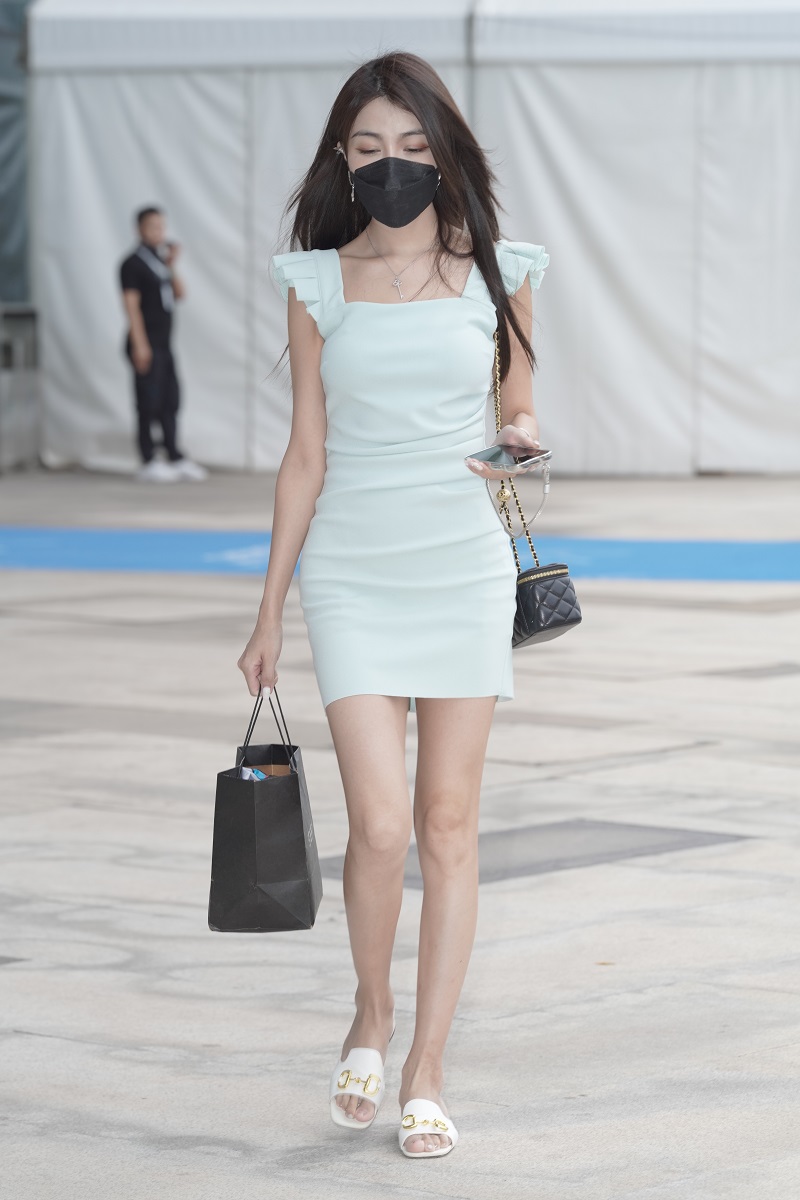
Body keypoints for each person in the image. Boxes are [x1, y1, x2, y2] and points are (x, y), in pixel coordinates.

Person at [237, 51, 549, 1160]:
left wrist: (519, 439)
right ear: (342, 157)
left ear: (444, 154)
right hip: (353, 570)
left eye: (413, 147)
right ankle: (368, 1014)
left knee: (446, 824)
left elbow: (518, 403)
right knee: (377, 826)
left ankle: (425, 1067)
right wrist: (269, 610)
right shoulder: (316, 282)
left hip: (462, 563)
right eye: (369, 148)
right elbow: (304, 453)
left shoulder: (501, 271)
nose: (392, 165)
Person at [119, 206, 207, 482]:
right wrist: (140, 344)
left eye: (161, 227)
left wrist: (172, 264)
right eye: (153, 227)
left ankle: (174, 454)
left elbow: (180, 294)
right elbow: (131, 307)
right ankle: (148, 459)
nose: (159, 232)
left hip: (164, 343)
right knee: (148, 401)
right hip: (146, 342)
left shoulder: (159, 262)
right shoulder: (132, 264)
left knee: (170, 399)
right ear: (140, 229)